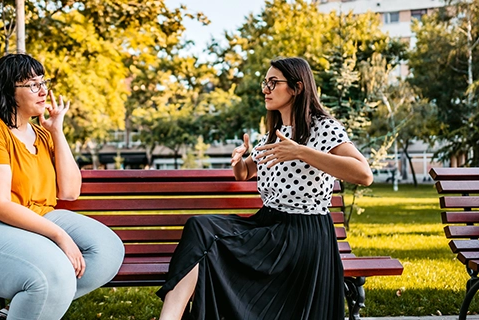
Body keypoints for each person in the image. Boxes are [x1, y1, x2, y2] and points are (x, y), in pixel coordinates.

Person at [156, 57, 373, 320]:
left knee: (204, 235)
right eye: (265, 82)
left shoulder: (323, 127)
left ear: (297, 87)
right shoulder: (275, 133)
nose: (265, 89)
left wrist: (301, 152)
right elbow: (247, 172)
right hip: (268, 225)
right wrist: (238, 161)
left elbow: (364, 174)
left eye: (273, 82)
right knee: (200, 229)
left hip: (303, 233)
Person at [0, 54, 125, 320]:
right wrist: (59, 236)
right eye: (33, 84)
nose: (44, 90)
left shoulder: (43, 135)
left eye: (43, 82)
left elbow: (69, 191)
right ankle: (40, 292)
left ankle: (10, 313)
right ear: (8, 90)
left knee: (108, 251)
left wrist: (57, 131)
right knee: (54, 274)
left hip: (34, 219)